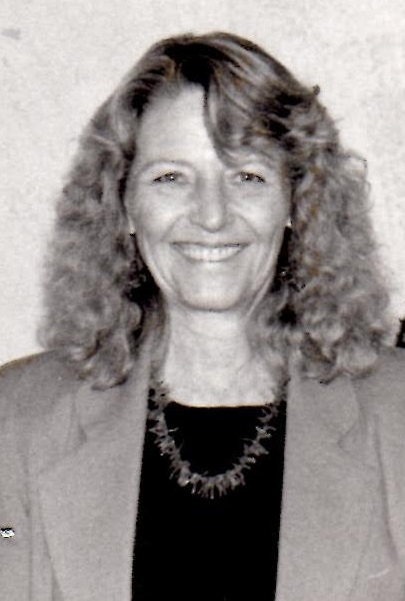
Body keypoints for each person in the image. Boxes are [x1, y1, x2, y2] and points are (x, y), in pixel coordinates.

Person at [1, 32, 405, 601]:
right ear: (123, 204)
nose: (211, 216)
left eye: (247, 177)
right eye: (171, 178)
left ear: (297, 201)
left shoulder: (396, 415)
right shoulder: (16, 418)